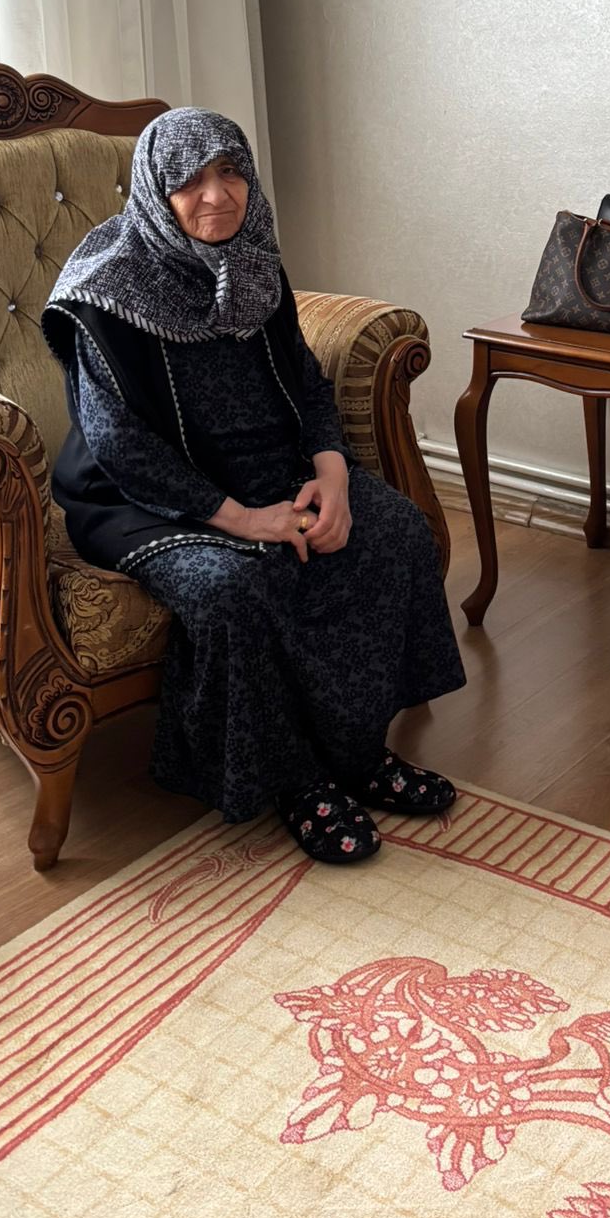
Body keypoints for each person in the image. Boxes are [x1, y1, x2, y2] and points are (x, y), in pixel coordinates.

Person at [42, 108, 466, 865]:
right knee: (232, 589)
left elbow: (304, 379)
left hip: (272, 466)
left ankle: (358, 753)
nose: (217, 195)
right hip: (145, 496)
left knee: (395, 530)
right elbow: (119, 445)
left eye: (231, 172)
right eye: (190, 181)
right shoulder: (101, 292)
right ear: (155, 192)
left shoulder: (253, 260)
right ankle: (296, 781)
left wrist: (331, 472)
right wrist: (242, 519)